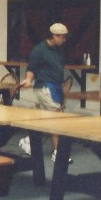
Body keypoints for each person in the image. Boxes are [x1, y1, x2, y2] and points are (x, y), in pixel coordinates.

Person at [20, 22, 70, 162]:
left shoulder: (59, 50)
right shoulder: (39, 50)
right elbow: (31, 68)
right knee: (56, 118)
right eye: (62, 37)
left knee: (44, 120)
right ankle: (57, 153)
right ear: (55, 36)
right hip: (45, 87)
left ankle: (28, 141)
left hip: (56, 86)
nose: (64, 40)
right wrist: (28, 79)